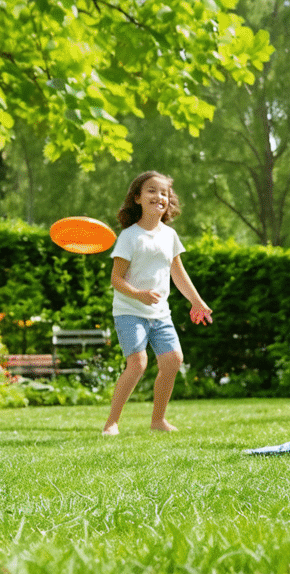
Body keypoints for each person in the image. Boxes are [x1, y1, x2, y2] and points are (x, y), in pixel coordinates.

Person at [101, 171, 213, 435]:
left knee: (173, 360)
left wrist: (198, 302)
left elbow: (178, 273)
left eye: (164, 193)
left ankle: (158, 421)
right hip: (130, 311)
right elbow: (116, 279)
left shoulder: (169, 236)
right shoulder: (129, 236)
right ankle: (112, 422)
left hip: (160, 313)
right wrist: (139, 294)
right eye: (152, 191)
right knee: (138, 364)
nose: (159, 196)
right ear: (137, 198)